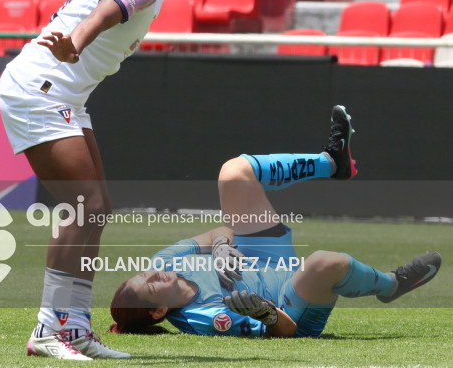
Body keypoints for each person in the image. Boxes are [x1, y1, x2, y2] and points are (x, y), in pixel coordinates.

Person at [0, 0, 207, 360]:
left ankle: (75, 329)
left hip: (65, 95)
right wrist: (77, 41)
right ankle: (46, 329)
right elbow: (106, 13)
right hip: (40, 89)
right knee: (83, 206)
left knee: (98, 208)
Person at [109, 106, 442, 338]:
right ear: (158, 312)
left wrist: (223, 245)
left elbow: (220, 231)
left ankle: (331, 162)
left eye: (142, 273)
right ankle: (392, 284)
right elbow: (287, 332)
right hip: (288, 302)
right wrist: (264, 313)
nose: (153, 272)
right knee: (324, 262)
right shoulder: (207, 319)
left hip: (264, 258)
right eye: (150, 285)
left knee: (233, 172)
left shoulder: (163, 263)